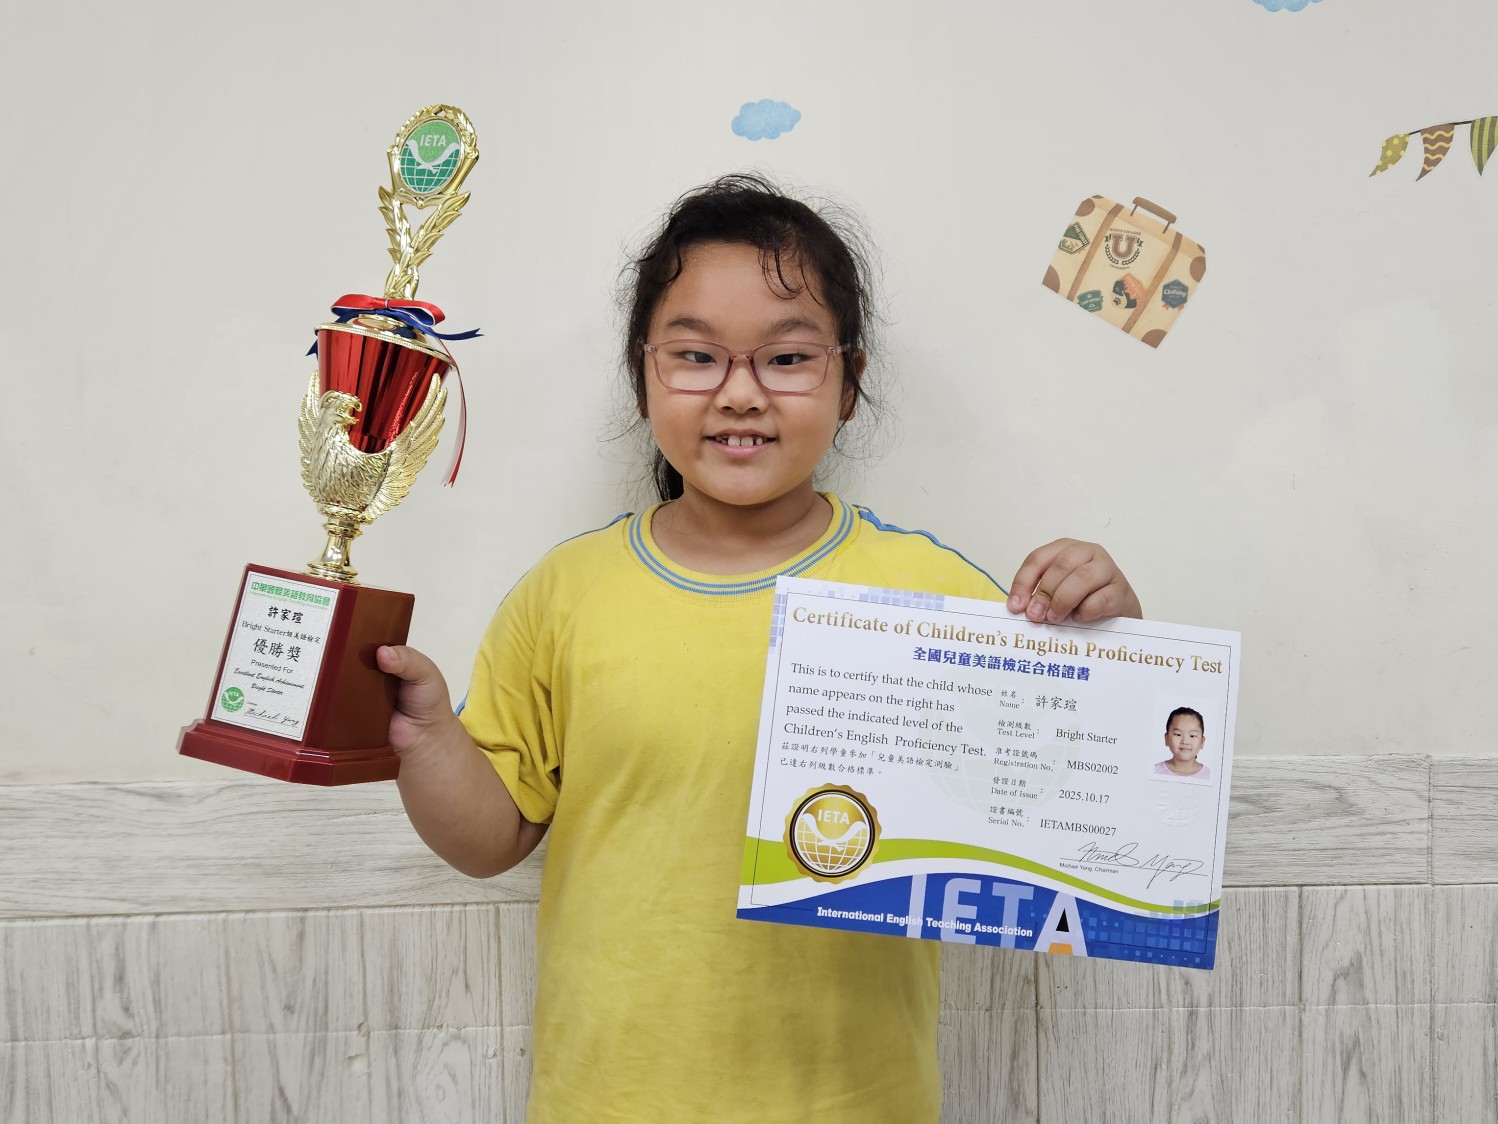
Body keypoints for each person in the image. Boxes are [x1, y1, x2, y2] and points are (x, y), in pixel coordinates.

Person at [376, 173, 1143, 1123]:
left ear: (849, 382)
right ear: (644, 374)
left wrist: (1106, 642)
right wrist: (427, 738)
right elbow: (490, 837)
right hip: (608, 1099)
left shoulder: (930, 594)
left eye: (786, 359)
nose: (740, 394)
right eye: (696, 355)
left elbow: (1057, 792)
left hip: (856, 1104)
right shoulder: (564, 594)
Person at [1155, 706, 1211, 780]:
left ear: (1202, 742)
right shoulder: (1155, 772)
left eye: (1192, 736)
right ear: (1166, 738)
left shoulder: (1210, 776)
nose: (1185, 742)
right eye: (1178, 734)